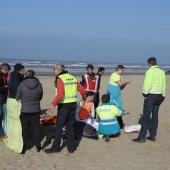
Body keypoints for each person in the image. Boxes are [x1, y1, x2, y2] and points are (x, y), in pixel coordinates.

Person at [45, 64, 85, 154]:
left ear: (58, 70)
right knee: (70, 126)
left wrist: (53, 104)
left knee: (59, 126)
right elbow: (81, 89)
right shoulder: (72, 77)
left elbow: (60, 95)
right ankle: (71, 148)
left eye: (54, 69)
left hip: (64, 106)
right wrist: (84, 97)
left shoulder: (60, 78)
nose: (53, 70)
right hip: (73, 105)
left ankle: (55, 148)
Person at [133, 57, 166, 143]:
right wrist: (163, 95)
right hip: (160, 96)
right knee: (155, 116)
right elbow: (164, 85)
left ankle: (141, 138)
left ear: (149, 63)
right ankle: (152, 136)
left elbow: (147, 84)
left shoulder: (149, 71)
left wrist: (144, 94)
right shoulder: (162, 72)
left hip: (151, 96)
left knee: (145, 117)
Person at [16, 70, 43, 153]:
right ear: (34, 75)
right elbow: (40, 97)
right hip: (36, 109)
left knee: (24, 129)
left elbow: (17, 97)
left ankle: (23, 147)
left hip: (25, 110)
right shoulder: (39, 84)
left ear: (26, 75)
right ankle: (38, 146)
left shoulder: (22, 84)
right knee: (36, 128)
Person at [5, 63, 25, 153]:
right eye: (23, 70)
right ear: (19, 71)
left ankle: (9, 140)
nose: (24, 72)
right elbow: (20, 93)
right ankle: (17, 145)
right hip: (15, 102)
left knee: (11, 123)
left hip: (9, 101)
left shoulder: (11, 77)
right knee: (17, 124)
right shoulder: (19, 80)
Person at [107, 65, 130, 129]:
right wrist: (126, 81)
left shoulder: (120, 77)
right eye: (123, 70)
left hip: (117, 95)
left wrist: (126, 83)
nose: (123, 71)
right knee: (112, 109)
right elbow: (120, 83)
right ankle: (114, 124)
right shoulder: (114, 74)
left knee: (119, 109)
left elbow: (121, 87)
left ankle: (120, 125)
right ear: (119, 69)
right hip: (113, 95)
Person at [0, 63, 11, 141]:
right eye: (7, 71)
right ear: (3, 69)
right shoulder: (1, 76)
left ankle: (2, 134)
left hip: (3, 99)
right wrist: (5, 87)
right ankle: (1, 135)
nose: (7, 73)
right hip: (0, 99)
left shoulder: (4, 76)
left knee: (2, 117)